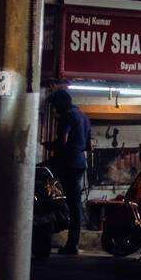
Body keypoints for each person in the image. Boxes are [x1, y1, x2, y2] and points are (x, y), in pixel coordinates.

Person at [47, 89, 91, 255]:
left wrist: (51, 145)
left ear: (61, 102)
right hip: (79, 163)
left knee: (67, 203)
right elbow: (89, 146)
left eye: (55, 105)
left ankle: (72, 245)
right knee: (75, 204)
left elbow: (63, 142)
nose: (54, 109)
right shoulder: (84, 117)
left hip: (68, 164)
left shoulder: (67, 116)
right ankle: (73, 243)